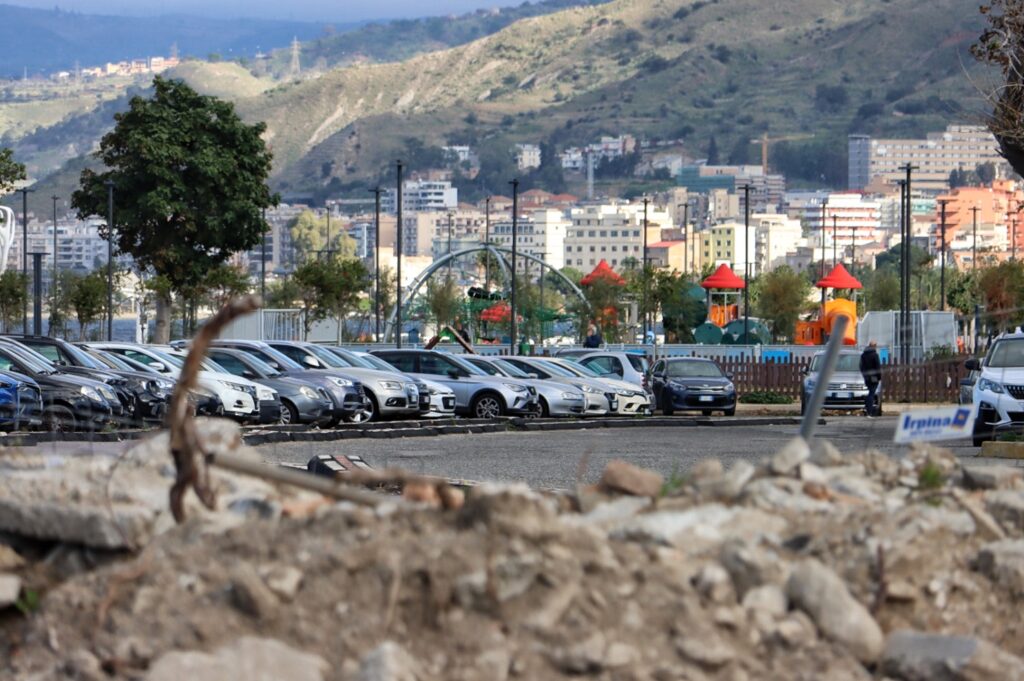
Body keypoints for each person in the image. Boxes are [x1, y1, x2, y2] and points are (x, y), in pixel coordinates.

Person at [859, 341, 882, 418]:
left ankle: (867, 409)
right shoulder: (875, 355)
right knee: (872, 394)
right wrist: (879, 377)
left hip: (867, 377)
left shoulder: (863, 355)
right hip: (874, 377)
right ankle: (870, 411)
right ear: (874, 346)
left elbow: (861, 367)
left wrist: (864, 375)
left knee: (870, 392)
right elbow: (878, 367)